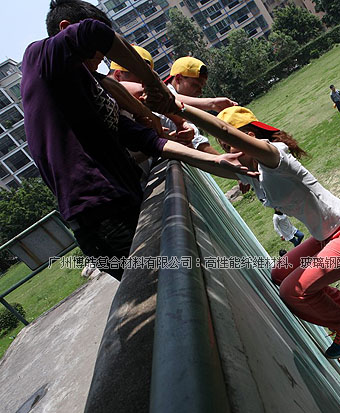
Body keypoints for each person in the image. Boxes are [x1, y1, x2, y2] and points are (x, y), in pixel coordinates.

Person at [21, 0, 255, 280]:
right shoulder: (39, 57)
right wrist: (154, 83)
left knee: (188, 280)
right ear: (65, 30)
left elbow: (146, 139)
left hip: (124, 200)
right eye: (100, 53)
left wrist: (214, 159)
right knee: (170, 288)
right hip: (100, 214)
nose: (104, 58)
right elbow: (95, 32)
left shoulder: (86, 87)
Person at [169, 103, 340, 358]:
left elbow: (225, 131)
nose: (226, 149)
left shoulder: (274, 157)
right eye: (224, 146)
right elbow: (213, 162)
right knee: (280, 272)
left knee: (293, 292)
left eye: (229, 143)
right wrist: (172, 147)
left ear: (249, 136)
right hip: (327, 237)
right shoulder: (251, 173)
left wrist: (178, 107)